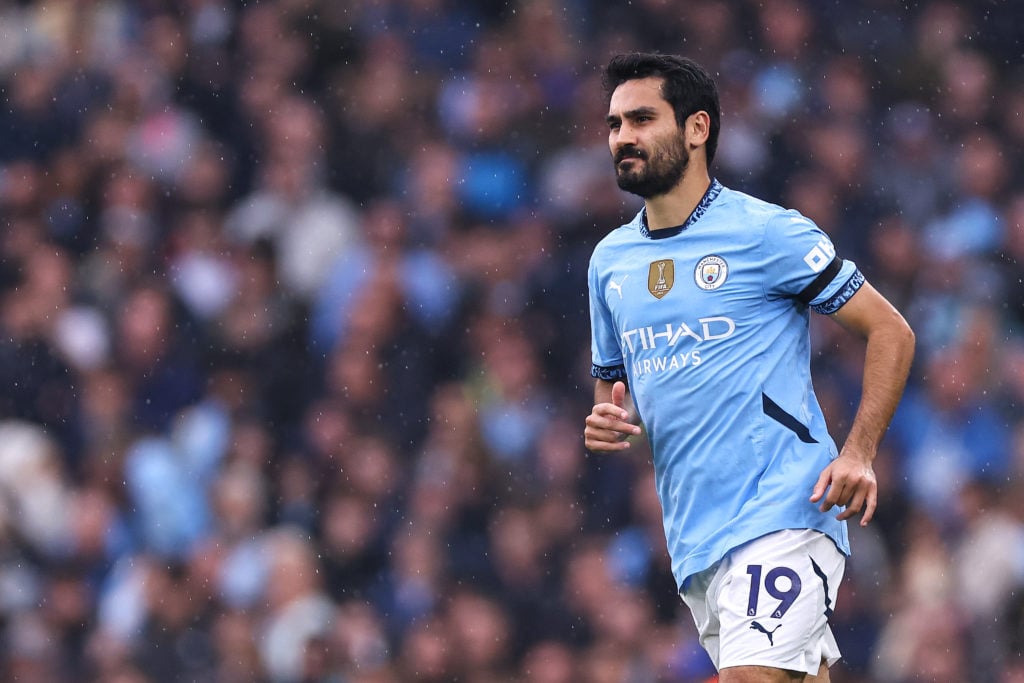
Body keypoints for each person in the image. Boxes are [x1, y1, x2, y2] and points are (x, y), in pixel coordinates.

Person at [583, 53, 915, 683]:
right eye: (613, 123)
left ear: (697, 128)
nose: (621, 136)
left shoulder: (765, 233)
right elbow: (616, 400)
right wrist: (607, 425)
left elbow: (889, 330)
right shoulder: (609, 262)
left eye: (641, 118)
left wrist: (860, 451)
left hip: (785, 504)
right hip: (695, 538)